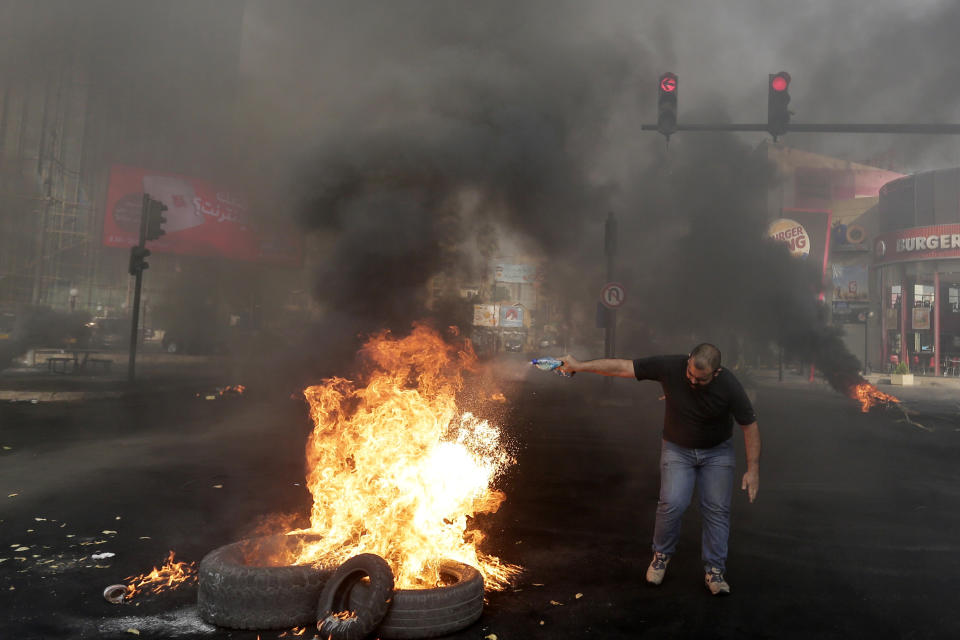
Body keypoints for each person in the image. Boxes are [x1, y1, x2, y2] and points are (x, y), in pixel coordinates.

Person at [558, 343, 760, 596]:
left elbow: (749, 425)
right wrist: (580, 366)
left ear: (716, 373)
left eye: (701, 379)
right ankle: (661, 555)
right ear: (688, 361)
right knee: (672, 502)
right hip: (678, 449)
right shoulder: (670, 366)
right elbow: (623, 367)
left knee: (717, 509)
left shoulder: (729, 384)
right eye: (690, 375)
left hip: (717, 453)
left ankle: (715, 570)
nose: (693, 382)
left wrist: (752, 469)